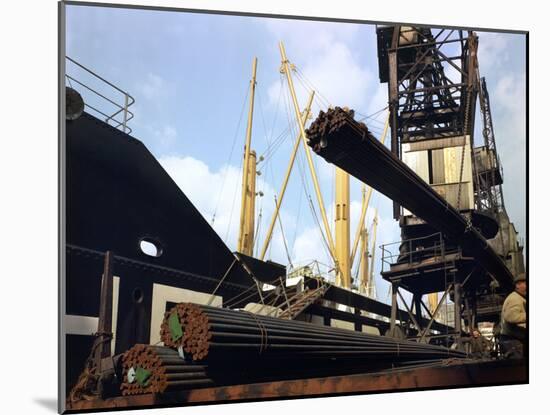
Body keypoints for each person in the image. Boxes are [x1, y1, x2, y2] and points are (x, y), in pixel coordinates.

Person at [499, 273, 526, 359]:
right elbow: (511, 317)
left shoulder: (520, 297)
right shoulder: (515, 298)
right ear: (518, 285)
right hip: (512, 341)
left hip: (515, 340)